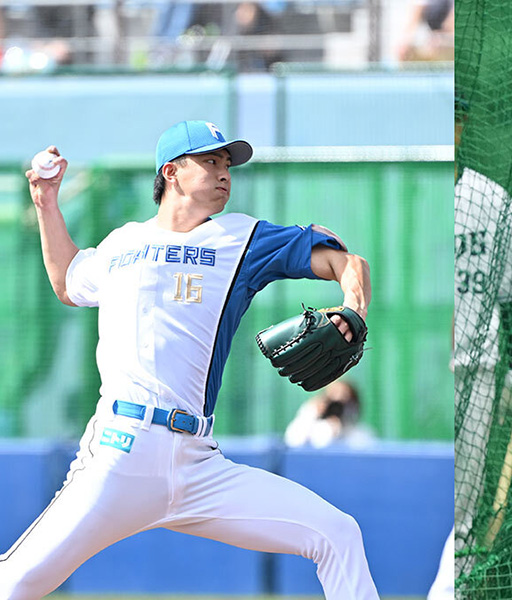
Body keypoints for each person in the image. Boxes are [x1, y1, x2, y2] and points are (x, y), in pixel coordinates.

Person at [1, 120, 380, 599]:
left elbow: (348, 263)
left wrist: (353, 308)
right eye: (210, 160)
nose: (224, 172)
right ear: (171, 172)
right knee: (13, 583)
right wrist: (46, 203)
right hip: (121, 449)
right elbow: (68, 281)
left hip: (198, 464)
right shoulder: (121, 243)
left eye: (227, 164)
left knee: (337, 534)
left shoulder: (242, 237)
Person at [436, 95, 512, 591]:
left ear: (462, 126)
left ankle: (454, 589)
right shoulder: (412, 189)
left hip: (477, 370)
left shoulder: (490, 199)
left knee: (465, 503)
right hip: (420, 365)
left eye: (452, 120)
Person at [284, 379, 376, 449]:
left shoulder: (360, 435)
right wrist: (310, 413)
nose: (336, 408)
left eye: (343, 402)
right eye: (332, 401)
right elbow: (292, 441)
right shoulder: (316, 429)